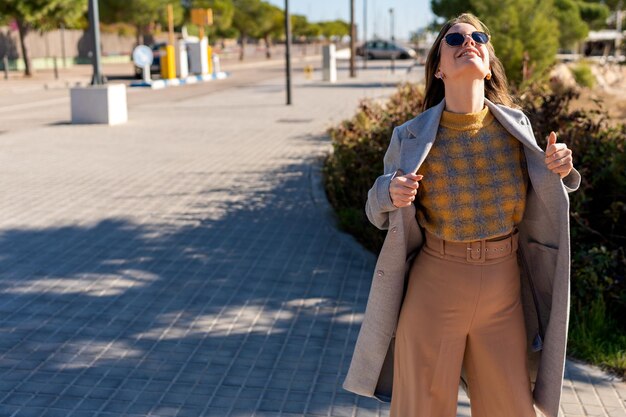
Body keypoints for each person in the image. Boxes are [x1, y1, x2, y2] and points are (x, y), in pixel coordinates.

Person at [342, 13, 581, 417]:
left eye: (478, 37)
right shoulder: (411, 136)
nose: (468, 42)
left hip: (504, 294)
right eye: (454, 38)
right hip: (435, 287)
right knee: (422, 409)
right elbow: (373, 209)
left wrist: (562, 167)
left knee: (511, 409)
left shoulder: (516, 127)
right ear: (439, 68)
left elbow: (550, 187)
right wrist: (390, 191)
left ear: (488, 64)